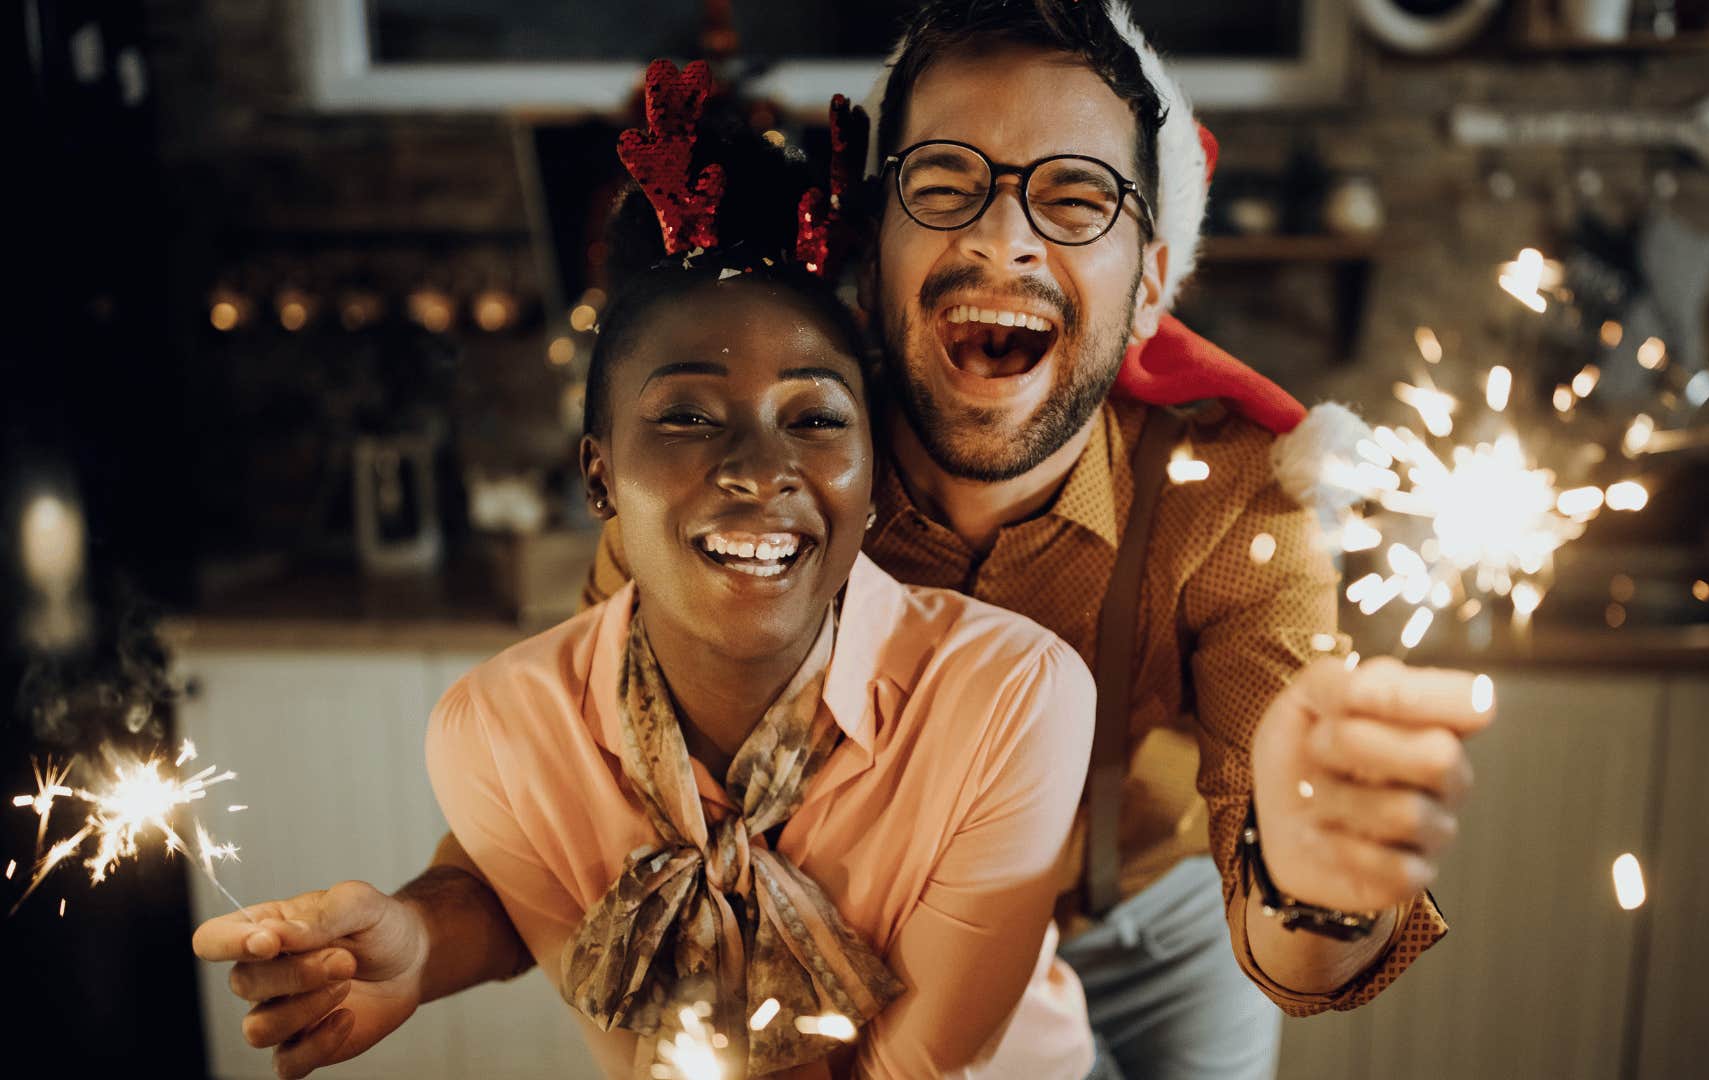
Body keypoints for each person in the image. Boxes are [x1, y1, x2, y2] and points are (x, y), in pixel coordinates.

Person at [195, 3, 1495, 1077]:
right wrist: (422, 940)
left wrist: (1312, 873)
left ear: (1152, 280)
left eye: (1076, 198)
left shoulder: (1234, 497)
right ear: (873, 248)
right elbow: (588, 803)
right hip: (878, 956)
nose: (1002, 235)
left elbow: (1306, 928)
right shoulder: (759, 490)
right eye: (948, 184)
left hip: (1166, 931)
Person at [196, 67, 1099, 1079]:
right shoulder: (502, 731)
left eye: (813, 419)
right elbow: (541, 931)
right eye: (686, 418)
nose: (762, 471)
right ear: (599, 475)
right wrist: (415, 944)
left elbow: (916, 1068)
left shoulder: (1012, 697)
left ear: (870, 470)